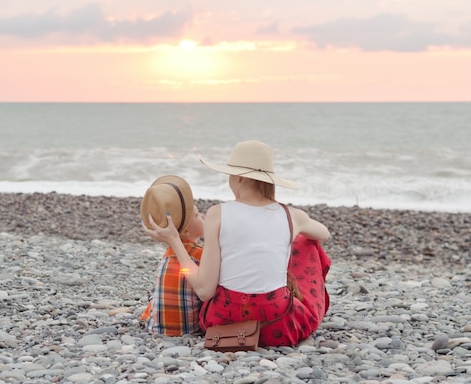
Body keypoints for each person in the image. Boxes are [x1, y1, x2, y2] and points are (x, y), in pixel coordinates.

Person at [143, 140, 332, 347]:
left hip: (223, 323)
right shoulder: (292, 216)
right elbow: (324, 234)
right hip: (280, 325)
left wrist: (174, 240)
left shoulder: (217, 214)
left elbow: (205, 291)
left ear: (240, 178)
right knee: (306, 243)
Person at [139, 175, 206, 336]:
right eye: (197, 215)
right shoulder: (200, 254)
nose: (203, 216)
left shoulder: (168, 253)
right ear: (187, 232)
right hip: (189, 329)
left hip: (157, 328)